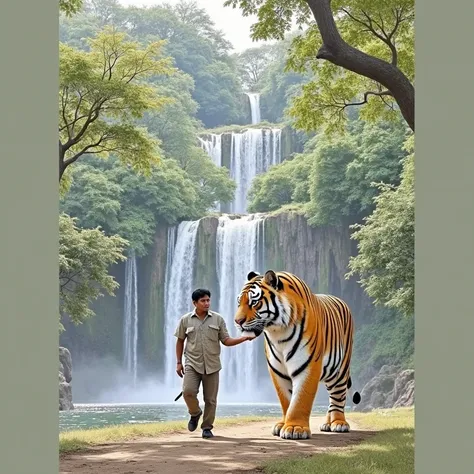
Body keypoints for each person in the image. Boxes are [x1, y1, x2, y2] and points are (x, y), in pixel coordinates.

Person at [174, 288, 254, 439]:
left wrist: (243, 338)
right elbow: (180, 340)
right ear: (195, 303)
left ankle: (207, 427)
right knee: (188, 391)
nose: (206, 303)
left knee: (210, 400)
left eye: (208, 300)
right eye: (203, 301)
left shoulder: (218, 319)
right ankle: (195, 413)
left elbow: (226, 341)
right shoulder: (185, 320)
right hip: (192, 363)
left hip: (212, 365)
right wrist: (179, 362)